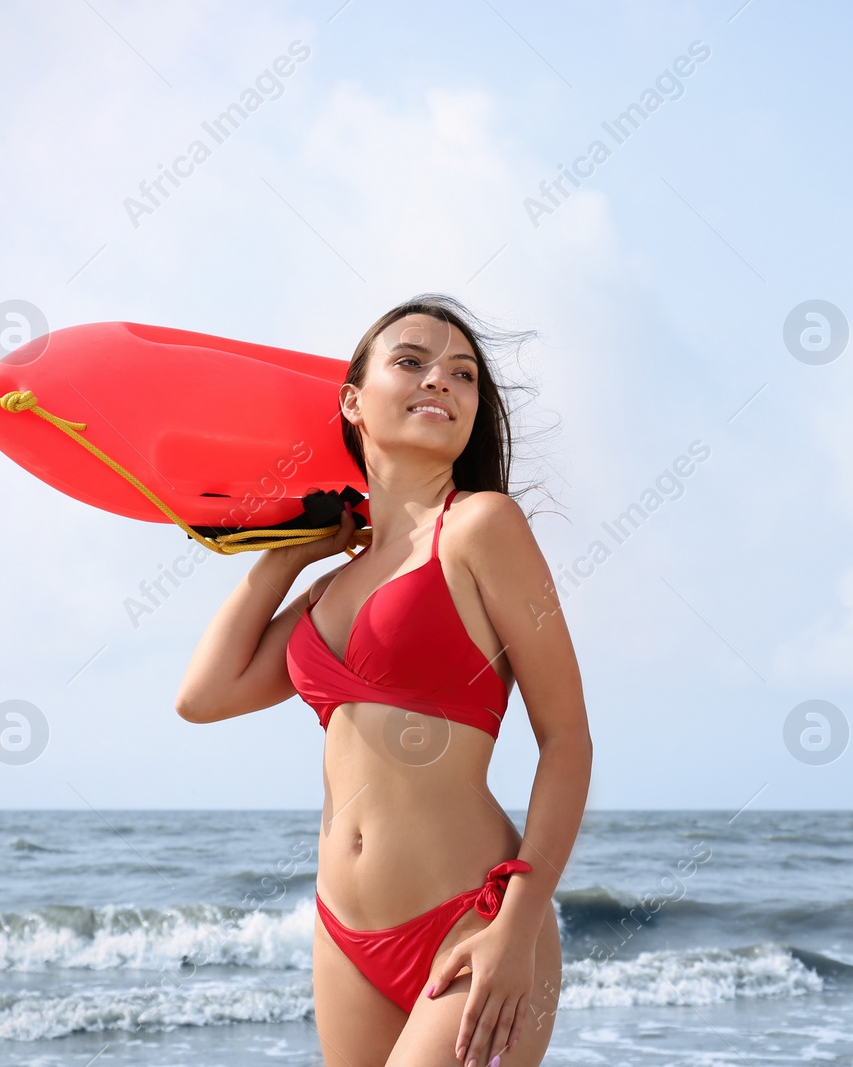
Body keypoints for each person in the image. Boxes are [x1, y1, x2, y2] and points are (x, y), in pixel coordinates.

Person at [174, 295, 591, 1067]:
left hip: (472, 921)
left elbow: (566, 739)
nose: (441, 380)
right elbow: (203, 695)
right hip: (343, 933)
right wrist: (292, 552)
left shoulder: (481, 526)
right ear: (353, 402)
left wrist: (519, 923)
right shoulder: (333, 586)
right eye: (412, 361)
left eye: (463, 374)